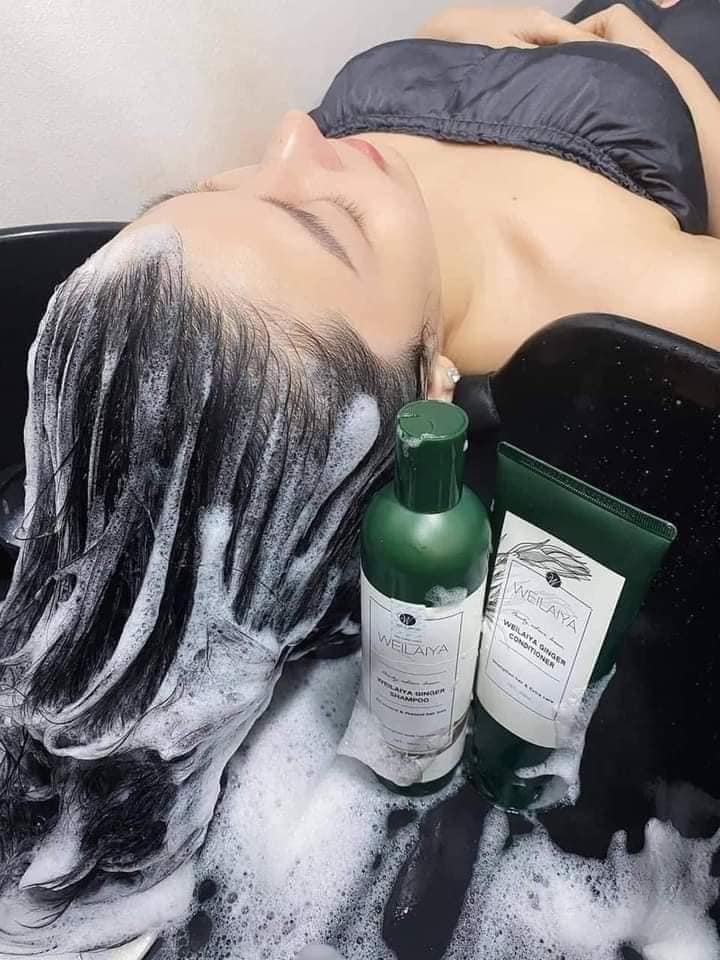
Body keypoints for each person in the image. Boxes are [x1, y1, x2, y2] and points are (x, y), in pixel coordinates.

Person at [1, 0, 719, 950]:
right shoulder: (662, 300)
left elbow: (433, 34)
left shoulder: (296, 267)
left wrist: (484, 32)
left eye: (223, 184)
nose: (292, 136)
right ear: (432, 385)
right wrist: (656, 55)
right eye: (326, 222)